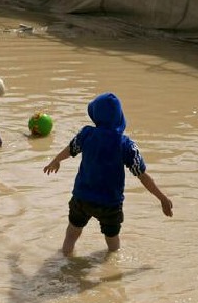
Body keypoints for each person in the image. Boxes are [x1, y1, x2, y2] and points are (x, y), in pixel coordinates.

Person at [43, 92, 173, 257]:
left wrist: (56, 160)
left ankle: (64, 259)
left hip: (82, 198)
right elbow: (142, 176)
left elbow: (71, 149)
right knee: (112, 241)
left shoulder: (87, 134)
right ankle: (112, 269)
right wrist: (162, 198)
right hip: (110, 203)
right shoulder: (126, 145)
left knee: (72, 233)